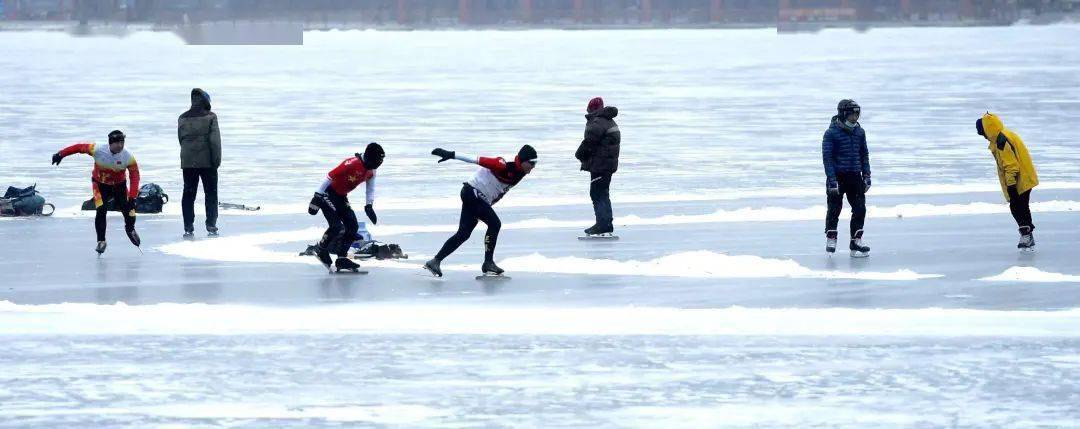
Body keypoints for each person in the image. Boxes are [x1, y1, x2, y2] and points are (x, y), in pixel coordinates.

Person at [423, 144, 538, 277]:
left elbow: (500, 191)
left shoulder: (521, 173)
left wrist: (488, 206)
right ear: (523, 160)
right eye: (532, 163)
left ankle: (435, 261)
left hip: (477, 197)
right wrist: (451, 154)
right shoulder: (503, 164)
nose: (533, 167)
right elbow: (475, 159)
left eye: (535, 163)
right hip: (473, 192)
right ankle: (488, 262)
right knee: (495, 224)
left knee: (463, 234)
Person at [51, 130, 141, 254]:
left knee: (130, 210)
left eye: (122, 142)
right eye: (117, 143)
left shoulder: (128, 156)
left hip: (119, 185)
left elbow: (135, 176)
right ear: (110, 143)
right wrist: (60, 154)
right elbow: (79, 148)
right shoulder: (97, 149)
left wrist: (133, 196)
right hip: (100, 184)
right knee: (101, 210)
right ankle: (101, 241)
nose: (120, 146)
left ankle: (130, 229)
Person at [308, 142, 384, 272]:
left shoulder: (371, 171)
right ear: (369, 157)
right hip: (327, 193)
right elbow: (330, 176)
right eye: (378, 160)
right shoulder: (352, 163)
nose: (379, 164)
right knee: (336, 226)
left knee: (352, 226)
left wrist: (369, 206)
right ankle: (321, 249)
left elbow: (370, 189)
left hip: (341, 197)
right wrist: (317, 196)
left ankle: (341, 258)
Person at [977, 112, 1039, 250]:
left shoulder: (1001, 141)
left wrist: (1011, 186)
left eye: (981, 131)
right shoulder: (1002, 135)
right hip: (1025, 176)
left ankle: (1026, 235)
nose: (981, 135)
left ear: (987, 129)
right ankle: (1028, 234)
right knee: (1021, 207)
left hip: (1020, 179)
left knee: (1017, 207)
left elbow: (1011, 166)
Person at [822, 99, 871, 258]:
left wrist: (867, 175)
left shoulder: (860, 132)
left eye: (857, 113)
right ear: (843, 114)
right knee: (834, 209)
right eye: (852, 114)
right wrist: (831, 179)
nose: (855, 117)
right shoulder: (831, 133)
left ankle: (856, 241)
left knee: (860, 209)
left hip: (855, 176)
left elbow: (864, 155)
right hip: (837, 177)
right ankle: (831, 238)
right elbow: (827, 158)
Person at [178, 88, 222, 238]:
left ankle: (188, 227)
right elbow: (215, 141)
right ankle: (211, 225)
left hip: (188, 161)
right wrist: (216, 161)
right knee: (211, 193)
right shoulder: (211, 117)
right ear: (206, 102)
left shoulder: (182, 117)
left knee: (188, 194)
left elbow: (181, 139)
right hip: (207, 162)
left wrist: (187, 155)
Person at [575, 96, 620, 236]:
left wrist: (579, 155)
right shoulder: (608, 120)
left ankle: (603, 224)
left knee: (597, 193)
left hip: (600, 165)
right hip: (607, 164)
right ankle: (606, 223)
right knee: (602, 193)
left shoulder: (598, 121)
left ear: (592, 109)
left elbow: (589, 142)